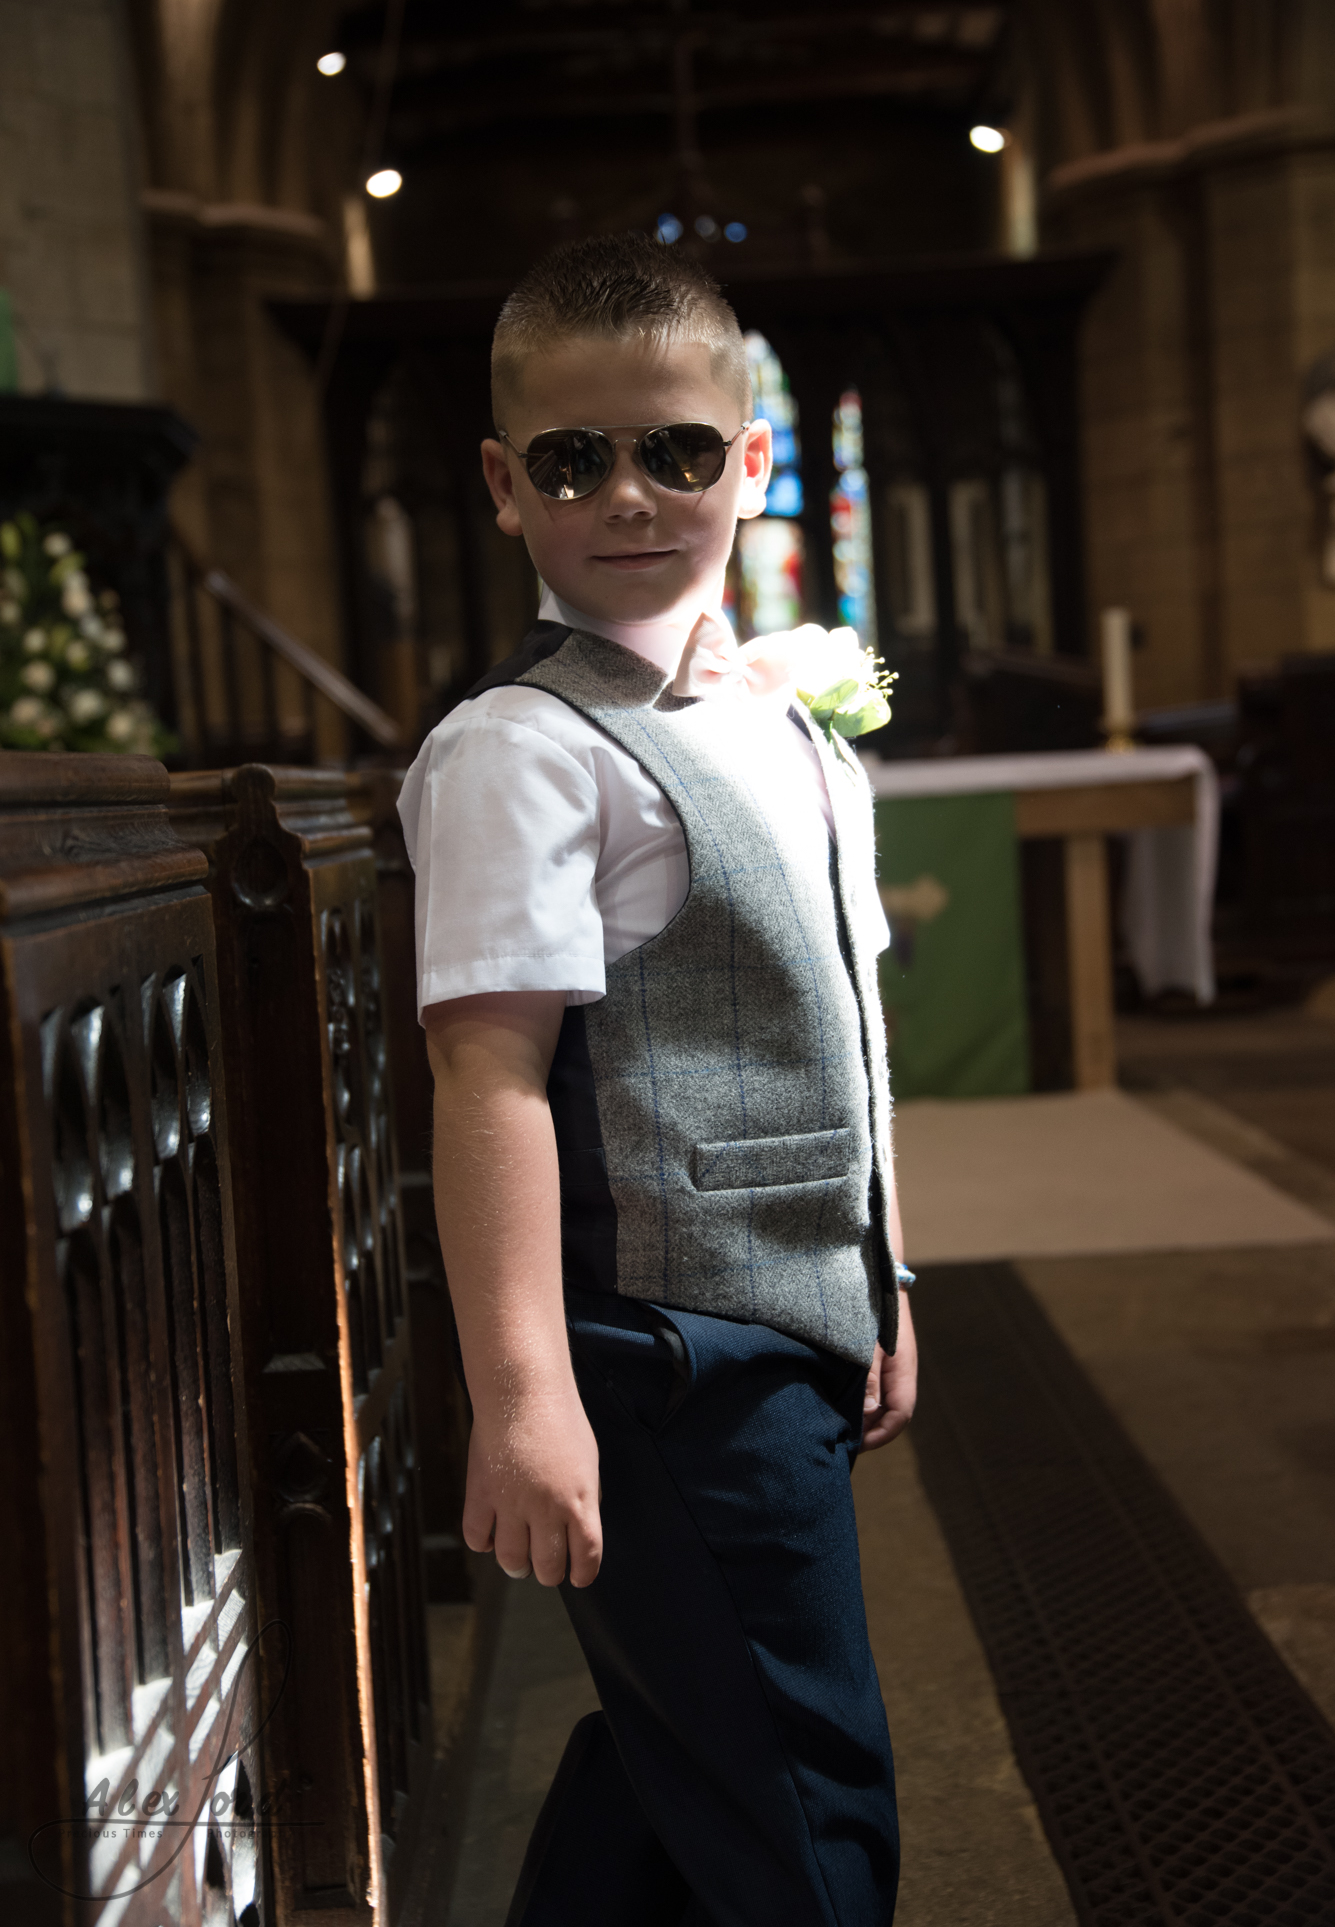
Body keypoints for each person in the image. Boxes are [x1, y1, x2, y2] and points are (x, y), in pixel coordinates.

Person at [397, 231, 917, 1926]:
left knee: (678, 1755)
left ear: (751, 463)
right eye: (574, 457)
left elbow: (837, 1022)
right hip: (664, 1354)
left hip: (796, 1326)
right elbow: (488, 1079)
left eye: (676, 449)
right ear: (504, 481)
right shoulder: (520, 751)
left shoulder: (785, 723)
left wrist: (881, 1281)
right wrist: (522, 1391)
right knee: (805, 1803)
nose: (629, 493)